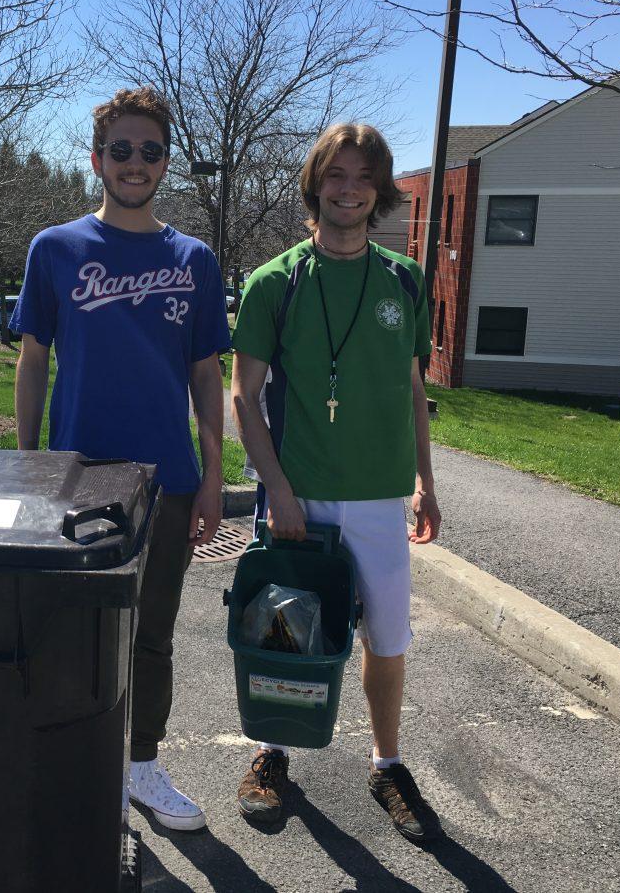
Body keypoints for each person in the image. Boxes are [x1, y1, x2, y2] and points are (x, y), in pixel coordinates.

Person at [10, 87, 231, 832]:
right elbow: (33, 359)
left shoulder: (194, 260)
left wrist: (212, 479)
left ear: (165, 161)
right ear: (97, 158)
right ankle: (77, 762)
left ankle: (140, 766)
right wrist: (27, 462)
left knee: (153, 632)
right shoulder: (56, 249)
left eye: (151, 151)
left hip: (166, 479)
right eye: (122, 150)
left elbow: (208, 377)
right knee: (70, 630)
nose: (136, 164)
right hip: (78, 481)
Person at [229, 123, 443, 844]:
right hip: (301, 496)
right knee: (285, 632)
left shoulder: (404, 280)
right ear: (315, 184)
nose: (348, 189)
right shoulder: (274, 283)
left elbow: (414, 389)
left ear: (379, 190)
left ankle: (386, 764)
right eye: (335, 175)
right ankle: (272, 754)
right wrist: (279, 492)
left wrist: (426, 481)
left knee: (386, 639)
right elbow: (241, 397)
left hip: (382, 498)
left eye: (362, 177)